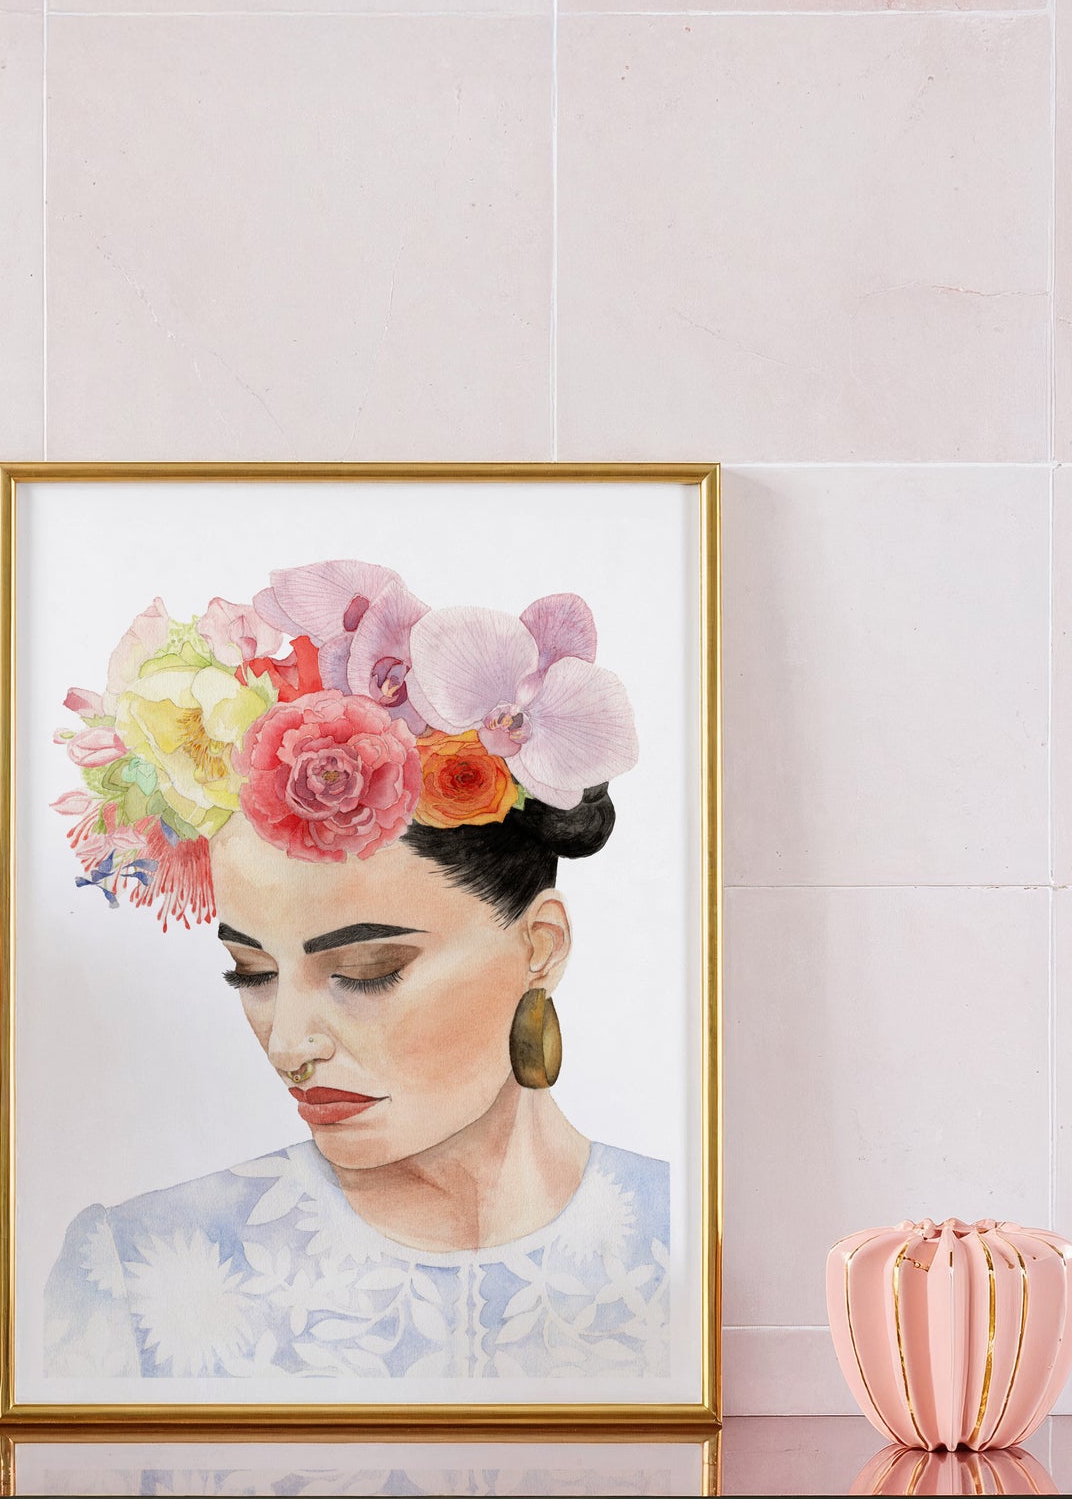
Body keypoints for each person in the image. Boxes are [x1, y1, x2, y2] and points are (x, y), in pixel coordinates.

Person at [42, 560, 673, 1383]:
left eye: (367, 970)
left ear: (540, 947)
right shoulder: (135, 1274)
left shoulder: (688, 1244)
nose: (289, 1045)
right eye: (250, 972)